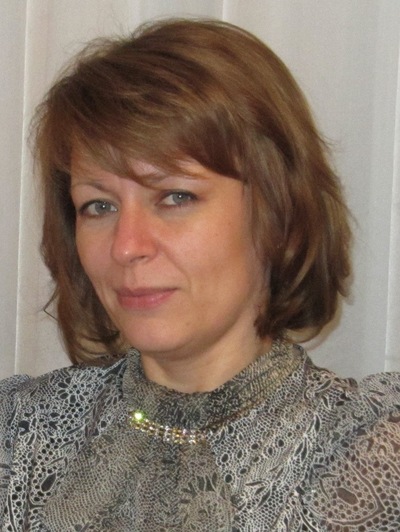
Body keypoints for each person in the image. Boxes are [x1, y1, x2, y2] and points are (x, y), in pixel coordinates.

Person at [0, 18, 399, 531]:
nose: (127, 246)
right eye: (98, 206)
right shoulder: (19, 438)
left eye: (175, 196)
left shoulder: (372, 460)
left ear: (279, 214)